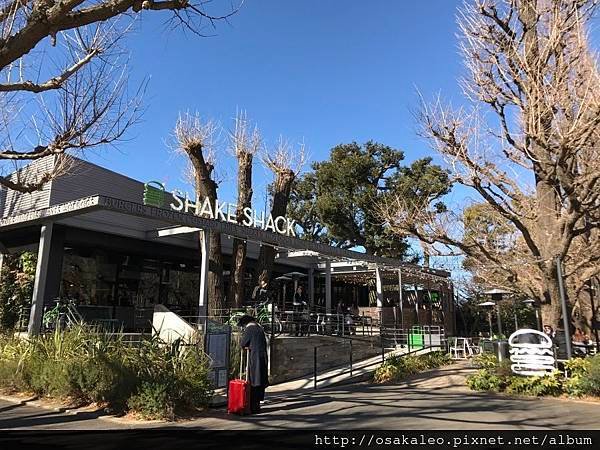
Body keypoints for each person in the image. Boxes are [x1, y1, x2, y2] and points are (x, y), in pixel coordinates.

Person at [238, 315, 269, 414]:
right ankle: (257, 404)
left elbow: (243, 343)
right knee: (260, 380)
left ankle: (252, 405)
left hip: (254, 358)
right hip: (262, 357)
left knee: (254, 380)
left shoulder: (249, 329)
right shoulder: (259, 328)